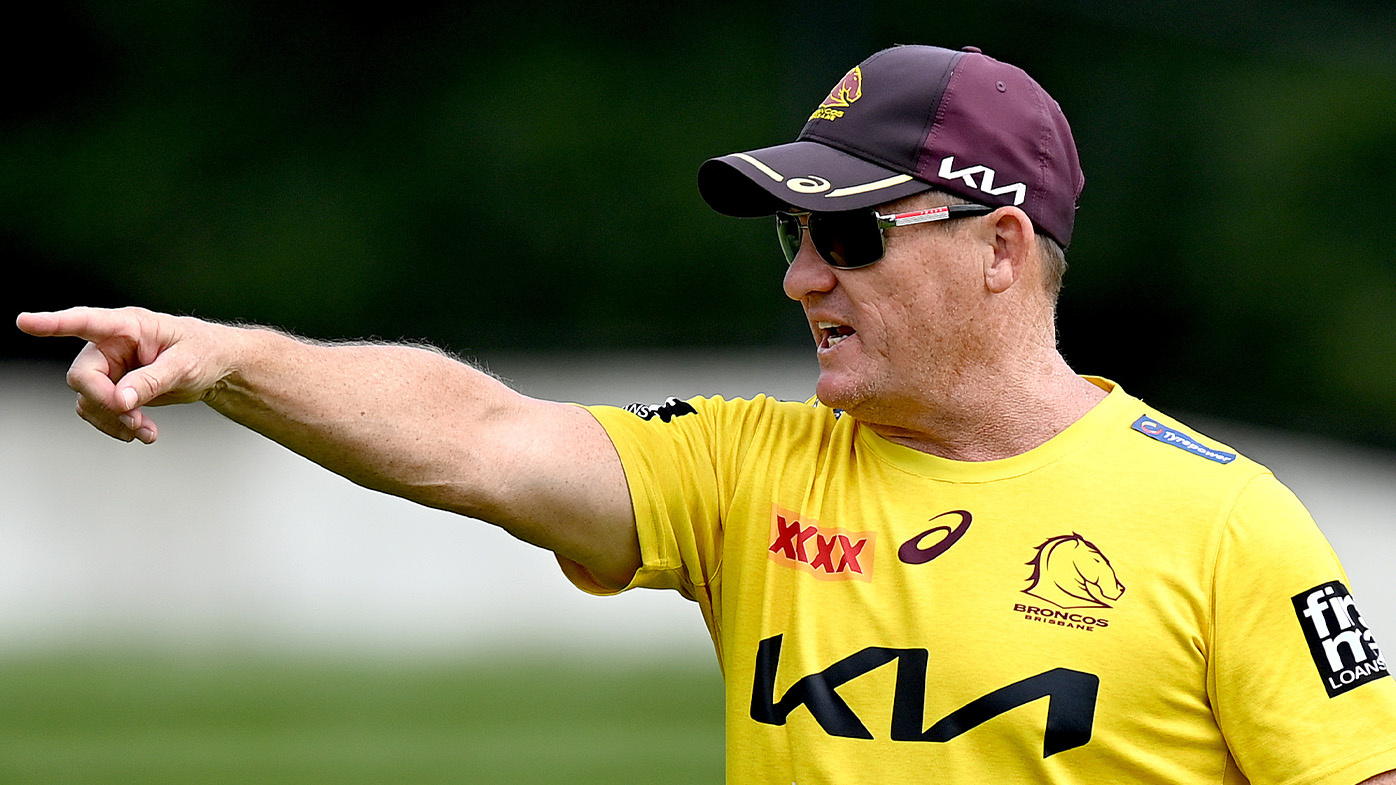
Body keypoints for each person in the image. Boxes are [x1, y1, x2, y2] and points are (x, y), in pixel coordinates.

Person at [17, 43, 1396, 785]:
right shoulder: (747, 465)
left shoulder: (1225, 523)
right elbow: (478, 436)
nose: (802, 277)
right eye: (793, 237)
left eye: (848, 238)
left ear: (996, 245)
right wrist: (237, 358)